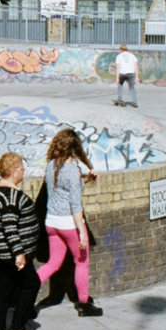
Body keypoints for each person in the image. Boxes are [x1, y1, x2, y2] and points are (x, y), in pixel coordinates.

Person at [36, 129, 103, 317]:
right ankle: (84, 304)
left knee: (53, 263)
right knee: (82, 262)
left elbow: (63, 189)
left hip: (51, 223)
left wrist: (87, 179)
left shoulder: (51, 165)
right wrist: (82, 231)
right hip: (69, 224)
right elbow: (75, 204)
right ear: (74, 149)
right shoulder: (72, 170)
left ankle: (28, 291)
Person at [0, 152, 41, 330]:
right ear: (13, 171)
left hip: (1, 252)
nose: (23, 172)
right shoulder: (11, 196)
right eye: (22, 169)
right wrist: (19, 253)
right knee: (32, 284)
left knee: (3, 287)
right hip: (12, 253)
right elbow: (10, 227)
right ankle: (18, 326)